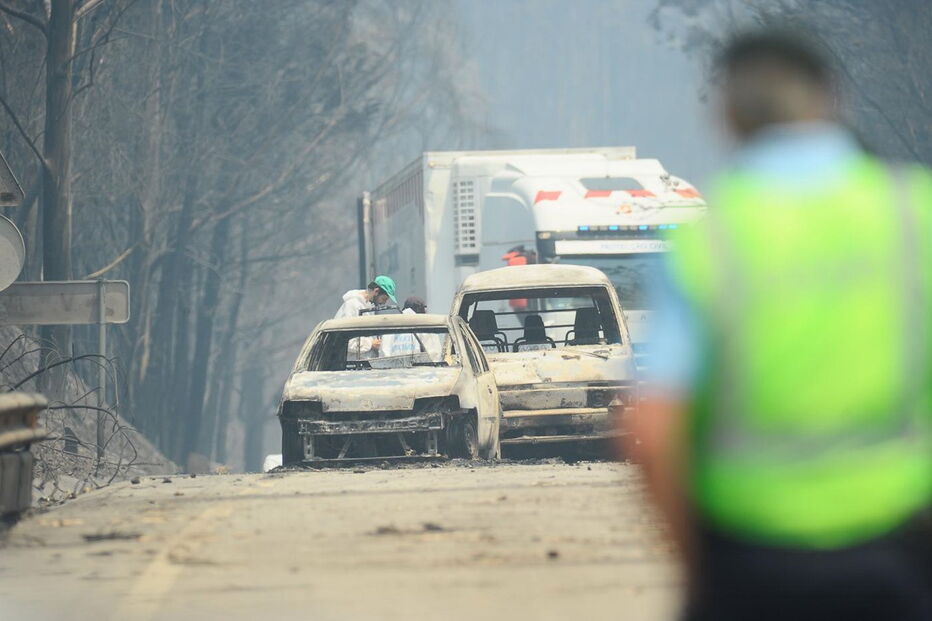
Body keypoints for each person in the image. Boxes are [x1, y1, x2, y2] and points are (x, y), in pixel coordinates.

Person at [628, 31, 932, 620]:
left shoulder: (706, 243)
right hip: (900, 542)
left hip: (752, 555)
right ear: (834, 99)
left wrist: (696, 569)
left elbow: (652, 425)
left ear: (728, 118)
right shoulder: (914, 215)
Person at [335, 275, 397, 359]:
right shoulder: (351, 306)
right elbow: (345, 341)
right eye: (384, 299)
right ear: (376, 291)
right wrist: (371, 344)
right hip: (351, 365)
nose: (384, 303)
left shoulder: (367, 307)